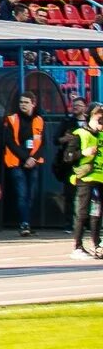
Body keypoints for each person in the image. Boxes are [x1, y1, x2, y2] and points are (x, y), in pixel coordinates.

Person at [4, 93, 47, 237]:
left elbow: (42, 143)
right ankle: (24, 223)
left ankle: (27, 221)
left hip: (33, 163)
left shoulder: (39, 120)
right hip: (17, 163)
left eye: (26, 102)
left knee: (31, 194)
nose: (23, 104)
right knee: (22, 194)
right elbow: (9, 142)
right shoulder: (12, 119)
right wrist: (25, 158)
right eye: (21, 102)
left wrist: (33, 158)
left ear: (33, 103)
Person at [72, 107, 103, 258]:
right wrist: (83, 153)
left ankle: (97, 245)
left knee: (96, 214)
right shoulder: (81, 134)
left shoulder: (101, 135)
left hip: (100, 179)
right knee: (82, 213)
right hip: (86, 179)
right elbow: (67, 157)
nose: (101, 123)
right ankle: (77, 246)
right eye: (99, 119)